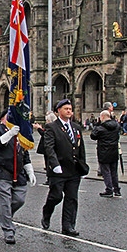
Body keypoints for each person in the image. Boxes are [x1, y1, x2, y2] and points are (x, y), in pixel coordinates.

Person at [41, 98, 87, 237]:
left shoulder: (76, 127)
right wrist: (54, 165)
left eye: (70, 109)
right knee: (56, 196)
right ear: (58, 111)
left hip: (73, 170)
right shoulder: (51, 127)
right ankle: (47, 212)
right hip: (58, 170)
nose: (69, 111)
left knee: (72, 198)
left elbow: (80, 148)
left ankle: (68, 226)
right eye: (66, 109)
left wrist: (82, 166)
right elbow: (49, 148)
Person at [0, 113, 37, 244]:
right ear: (4, 119)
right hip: (2, 171)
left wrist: (30, 170)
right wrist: (10, 134)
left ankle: (5, 216)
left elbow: (24, 152)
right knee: (4, 202)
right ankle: (8, 230)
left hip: (18, 172)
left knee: (19, 199)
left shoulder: (21, 132)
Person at [90, 110, 121, 198]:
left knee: (106, 172)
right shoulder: (116, 126)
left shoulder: (100, 128)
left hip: (104, 152)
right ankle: (117, 190)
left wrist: (96, 125)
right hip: (114, 151)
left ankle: (109, 189)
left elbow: (93, 136)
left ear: (102, 117)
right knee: (114, 172)